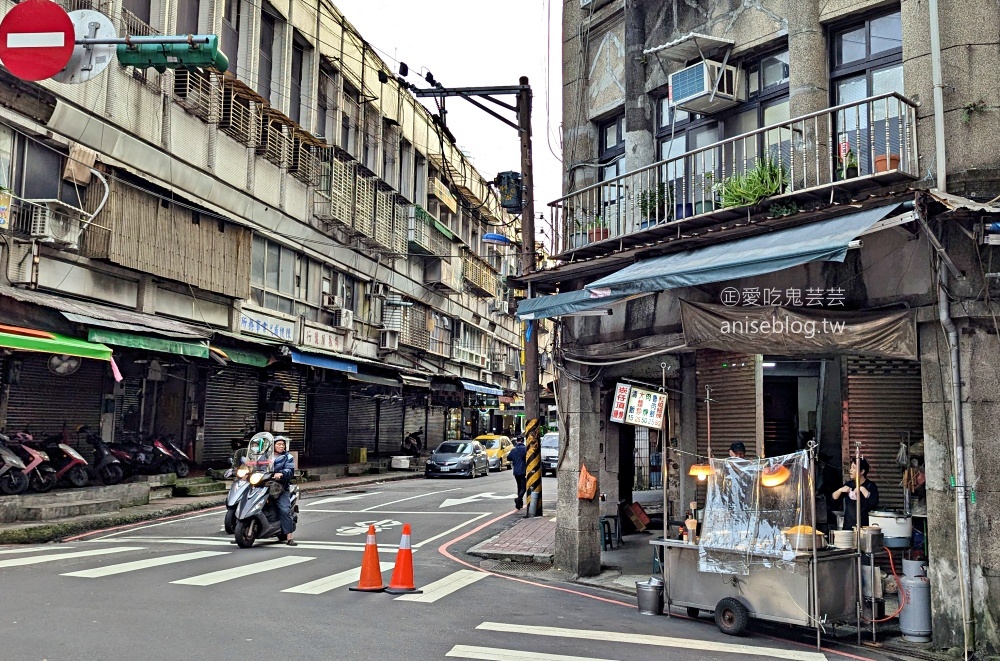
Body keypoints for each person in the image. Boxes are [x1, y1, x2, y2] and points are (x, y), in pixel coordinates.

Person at [832, 457, 879, 529]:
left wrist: (863, 490)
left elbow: (874, 502)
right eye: (851, 468)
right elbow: (834, 497)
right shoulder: (849, 484)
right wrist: (840, 490)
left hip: (864, 527)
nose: (850, 470)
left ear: (862, 471)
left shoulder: (870, 485)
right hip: (848, 526)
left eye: (853, 468)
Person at [271, 436, 297, 545]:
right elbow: (254, 465)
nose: (281, 446)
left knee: (284, 510)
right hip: (263, 485)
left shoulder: (288, 457)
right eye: (278, 444)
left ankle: (289, 538)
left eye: (283, 444)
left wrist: (282, 473)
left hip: (280, 487)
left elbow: (290, 470)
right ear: (273, 445)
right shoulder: (264, 456)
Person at [509, 435, 528, 510]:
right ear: (523, 441)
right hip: (523, 470)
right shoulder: (525, 449)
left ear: (517, 441)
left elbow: (509, 458)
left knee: (519, 486)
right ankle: (519, 499)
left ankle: (519, 503)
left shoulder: (514, 450)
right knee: (524, 487)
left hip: (516, 471)